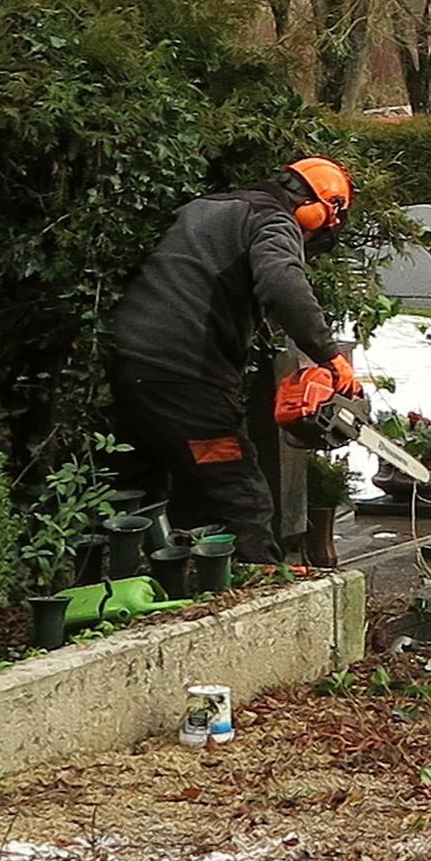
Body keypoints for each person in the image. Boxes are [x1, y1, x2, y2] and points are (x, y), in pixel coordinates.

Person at [108, 157, 361, 565]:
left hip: (132, 368)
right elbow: (281, 283)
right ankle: (262, 582)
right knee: (238, 494)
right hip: (188, 380)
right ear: (321, 209)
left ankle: (119, 580)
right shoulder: (273, 220)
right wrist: (329, 356)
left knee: (139, 490)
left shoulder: (205, 208)